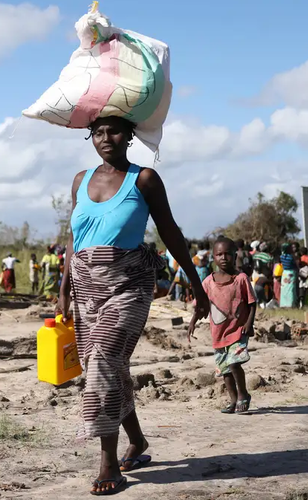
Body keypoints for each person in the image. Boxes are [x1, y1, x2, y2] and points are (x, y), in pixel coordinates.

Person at [57, 116, 209, 496]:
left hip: (129, 285)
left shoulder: (144, 180)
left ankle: (108, 463)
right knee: (106, 367)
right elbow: (75, 239)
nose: (106, 138)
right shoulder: (80, 179)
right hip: (86, 288)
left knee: (104, 363)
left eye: (115, 131)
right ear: (91, 137)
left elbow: (170, 231)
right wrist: (63, 289)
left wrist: (196, 283)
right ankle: (137, 442)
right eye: (99, 132)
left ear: (130, 136)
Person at [188, 237, 256, 414]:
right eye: (219, 254)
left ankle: (243, 394)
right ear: (213, 257)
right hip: (218, 333)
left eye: (227, 254)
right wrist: (193, 321)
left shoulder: (241, 279)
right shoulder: (208, 282)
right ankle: (233, 400)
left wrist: (249, 323)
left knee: (234, 363)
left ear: (235, 255)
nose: (223, 257)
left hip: (238, 331)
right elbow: (201, 305)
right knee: (224, 370)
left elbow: (252, 303)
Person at [279, 243, 298, 308]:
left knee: (284, 289)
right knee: (291, 289)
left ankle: (284, 304)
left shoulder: (281, 257)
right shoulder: (291, 257)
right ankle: (291, 304)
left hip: (284, 273)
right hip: (291, 273)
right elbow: (295, 265)